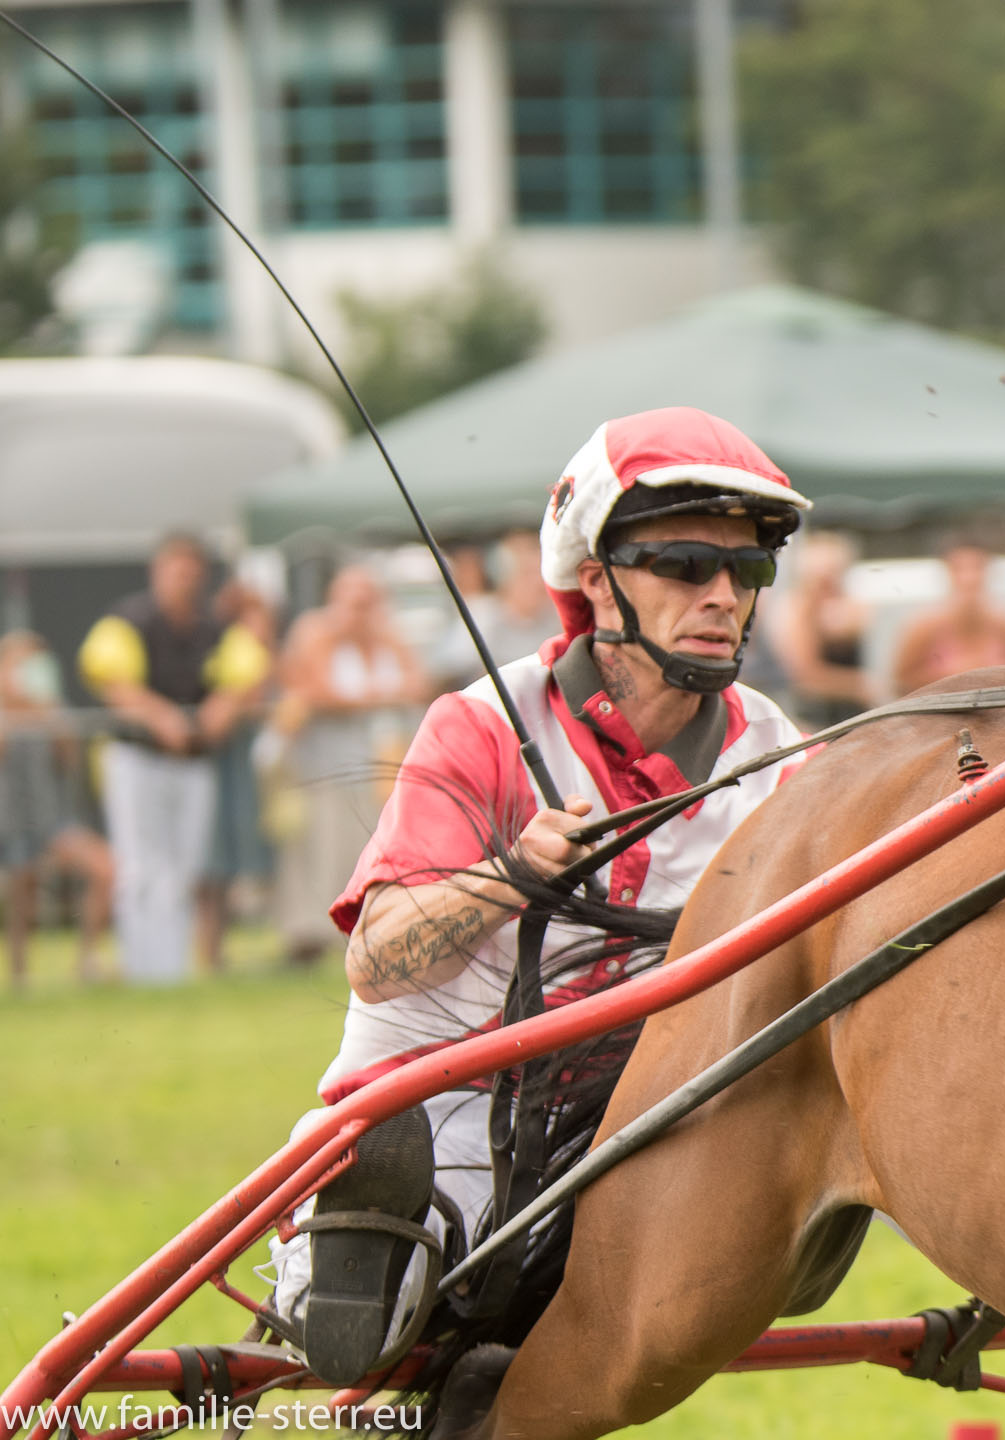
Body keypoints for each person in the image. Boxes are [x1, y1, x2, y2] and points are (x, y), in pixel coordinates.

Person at [265, 406, 813, 1380]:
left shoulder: (777, 750)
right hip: (440, 1105)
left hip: (632, 1127)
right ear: (595, 582)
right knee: (393, 1322)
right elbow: (378, 961)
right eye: (686, 566)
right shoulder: (480, 725)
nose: (723, 595)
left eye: (748, 570)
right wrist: (511, 874)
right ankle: (349, 1256)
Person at [76, 534, 262, 983]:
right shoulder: (129, 620)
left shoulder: (210, 629)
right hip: (137, 759)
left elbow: (249, 670)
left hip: (192, 764)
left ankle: (171, 971)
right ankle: (144, 968)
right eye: (177, 570)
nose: (185, 580)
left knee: (183, 870)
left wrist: (225, 705)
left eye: (192, 571)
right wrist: (161, 717)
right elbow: (112, 681)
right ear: (158, 571)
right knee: (140, 868)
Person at [269, 563, 427, 967]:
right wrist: (380, 697)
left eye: (367, 603)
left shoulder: (389, 637)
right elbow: (317, 691)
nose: (360, 612)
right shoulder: (314, 633)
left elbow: (418, 685)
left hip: (380, 765)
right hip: (323, 766)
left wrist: (370, 697)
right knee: (320, 849)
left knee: (368, 847)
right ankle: (308, 937)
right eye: (353, 603)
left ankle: (370, 930)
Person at [0, 632, 113, 989]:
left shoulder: (51, 708)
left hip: (50, 822)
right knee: (22, 881)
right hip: (9, 823)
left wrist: (46, 714)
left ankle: (87, 962)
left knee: (104, 868)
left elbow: (68, 761)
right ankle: (19, 975)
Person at [200, 577, 279, 974]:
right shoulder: (230, 653)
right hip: (222, 768)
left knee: (234, 862)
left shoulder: (259, 655)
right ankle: (209, 953)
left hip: (248, 769)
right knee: (214, 861)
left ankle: (219, 954)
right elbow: (220, 717)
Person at [770, 529, 875, 727]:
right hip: (814, 715)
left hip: (853, 712)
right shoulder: (796, 608)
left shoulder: (849, 603)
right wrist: (860, 685)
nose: (829, 579)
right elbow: (807, 677)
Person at [432, 531, 558, 691]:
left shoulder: (555, 617)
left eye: (541, 573)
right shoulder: (482, 614)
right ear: (505, 578)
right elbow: (448, 671)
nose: (538, 583)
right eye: (527, 574)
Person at [892, 541, 1005, 695]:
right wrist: (954, 677)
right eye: (960, 569)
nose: (969, 577)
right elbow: (899, 682)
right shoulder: (925, 624)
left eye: (977, 567)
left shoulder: (1004, 623)